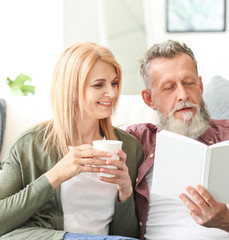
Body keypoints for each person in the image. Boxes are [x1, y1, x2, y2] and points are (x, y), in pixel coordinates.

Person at [127, 40, 229, 240]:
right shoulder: (136, 140)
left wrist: (226, 219)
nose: (183, 95)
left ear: (201, 85)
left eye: (189, 83)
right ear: (149, 99)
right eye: (169, 87)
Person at [0, 42, 143, 240]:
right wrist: (56, 175)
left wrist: (125, 192)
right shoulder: (29, 145)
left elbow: (128, 235)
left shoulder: (129, 147)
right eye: (99, 85)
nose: (112, 93)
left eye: (114, 83)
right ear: (71, 89)